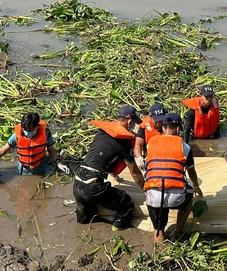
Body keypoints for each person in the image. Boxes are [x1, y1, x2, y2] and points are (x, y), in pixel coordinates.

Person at [73, 106, 145, 231]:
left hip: (77, 181)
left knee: (87, 220)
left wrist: (112, 172)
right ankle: (117, 231)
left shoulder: (102, 132)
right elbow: (134, 173)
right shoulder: (124, 141)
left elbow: (101, 156)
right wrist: (146, 189)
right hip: (93, 186)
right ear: (129, 122)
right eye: (133, 122)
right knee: (126, 204)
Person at [143, 113, 203, 243]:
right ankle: (177, 231)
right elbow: (191, 171)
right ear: (178, 129)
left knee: (158, 230)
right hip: (176, 198)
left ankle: (160, 244)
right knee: (189, 193)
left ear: (163, 129)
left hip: (154, 196)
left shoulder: (150, 144)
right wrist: (196, 186)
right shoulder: (184, 146)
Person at [0, 112, 69, 176]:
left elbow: (51, 149)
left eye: (31, 130)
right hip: (23, 171)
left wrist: (59, 163)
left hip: (41, 167)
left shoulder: (46, 133)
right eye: (25, 130)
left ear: (37, 126)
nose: (28, 133)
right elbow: (2, 151)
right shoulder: (17, 136)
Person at [134, 103, 167, 168]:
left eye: (161, 120)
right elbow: (138, 144)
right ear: (150, 116)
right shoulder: (144, 127)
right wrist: (139, 157)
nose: (159, 123)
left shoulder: (169, 125)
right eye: (156, 120)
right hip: (151, 159)